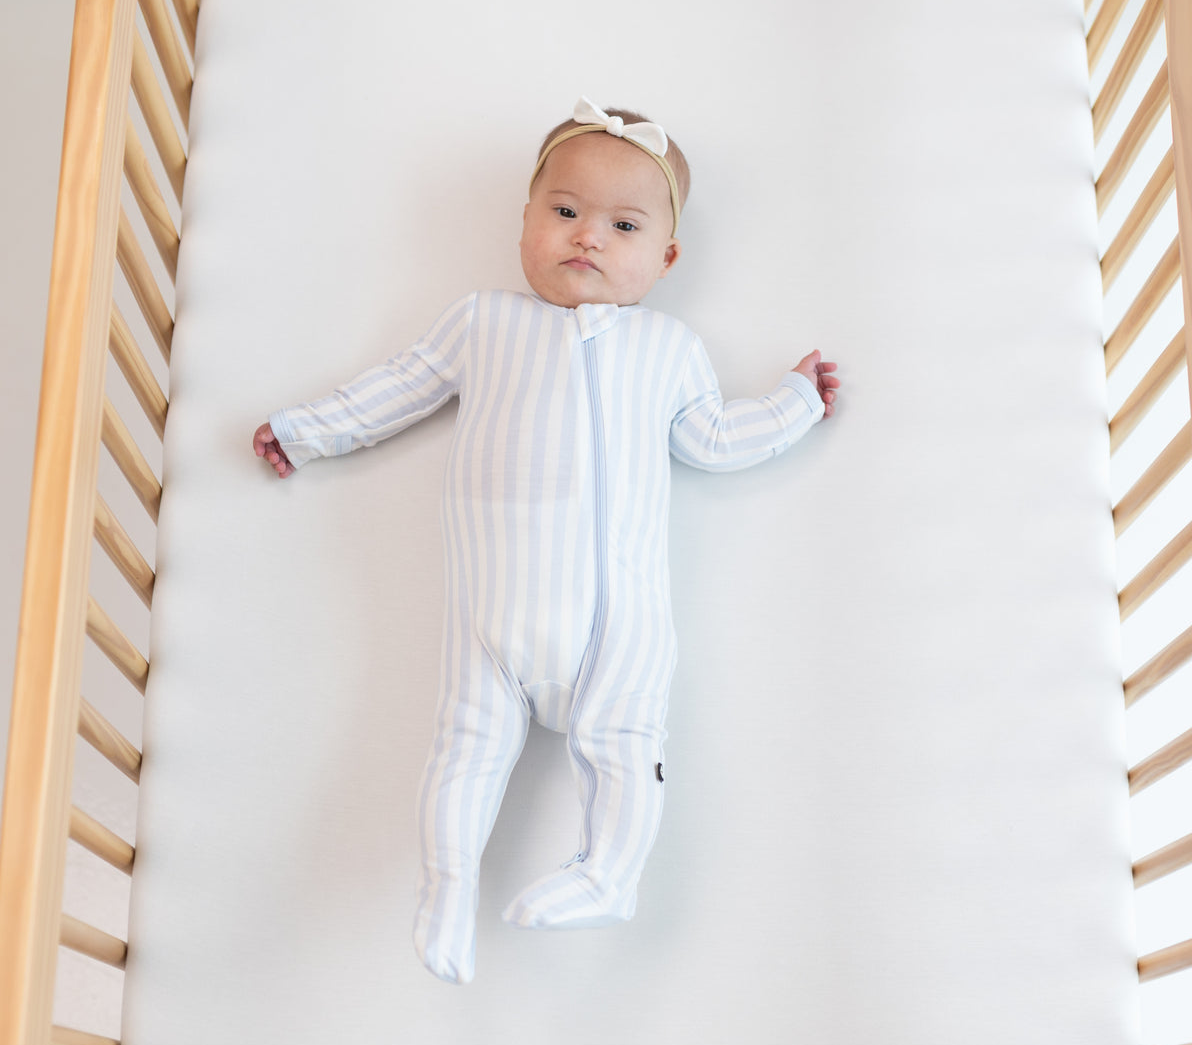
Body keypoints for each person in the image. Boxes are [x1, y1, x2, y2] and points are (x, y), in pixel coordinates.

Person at [253, 97, 840, 983]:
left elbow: (716, 439)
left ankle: (609, 875)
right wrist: (307, 430)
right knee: (464, 750)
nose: (588, 236)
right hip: (492, 624)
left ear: (666, 257)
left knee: (627, 744)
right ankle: (447, 889)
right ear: (526, 219)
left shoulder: (670, 350)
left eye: (624, 225)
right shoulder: (482, 323)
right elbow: (400, 385)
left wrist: (795, 402)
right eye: (565, 211)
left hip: (622, 627)